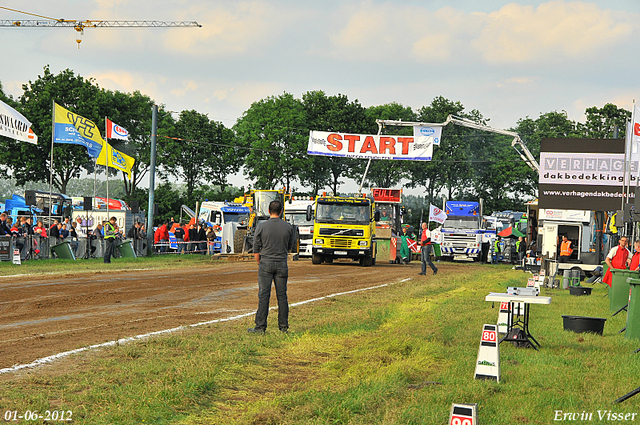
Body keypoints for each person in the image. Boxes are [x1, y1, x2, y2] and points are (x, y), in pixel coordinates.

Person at [248, 200, 295, 334]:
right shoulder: (288, 227)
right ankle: (283, 326)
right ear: (281, 211)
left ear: (269, 211)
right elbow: (289, 247)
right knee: (282, 296)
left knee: (264, 295)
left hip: (266, 263)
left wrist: (260, 263)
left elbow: (256, 250)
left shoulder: (262, 226)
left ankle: (260, 327)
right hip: (281, 263)